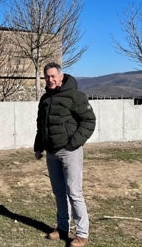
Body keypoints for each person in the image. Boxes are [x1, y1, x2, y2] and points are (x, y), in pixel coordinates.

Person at [34, 62, 96, 247]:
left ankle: (82, 234)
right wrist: (38, 147)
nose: (50, 79)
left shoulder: (75, 96)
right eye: (47, 77)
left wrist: (74, 143)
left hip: (70, 152)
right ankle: (62, 229)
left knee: (74, 192)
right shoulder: (45, 99)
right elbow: (41, 126)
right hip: (51, 153)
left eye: (53, 76)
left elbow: (89, 121)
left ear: (61, 76)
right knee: (59, 192)